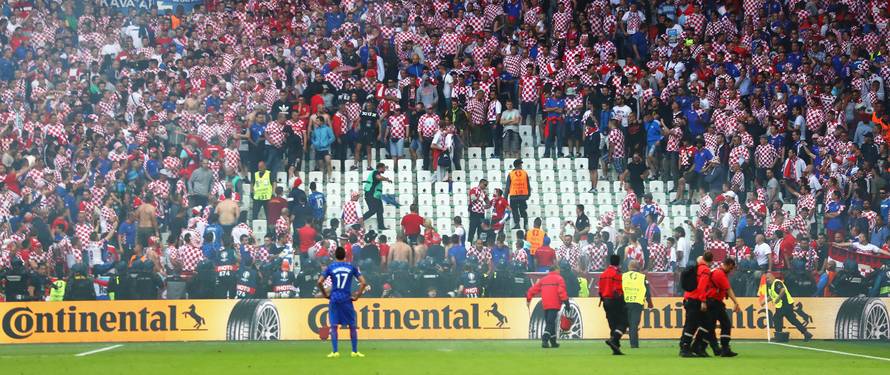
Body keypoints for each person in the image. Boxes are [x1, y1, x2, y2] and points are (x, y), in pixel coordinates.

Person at [319, 247, 368, 358]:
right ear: (345, 256)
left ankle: (335, 352)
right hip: (346, 298)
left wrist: (325, 294)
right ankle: (354, 352)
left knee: (334, 326)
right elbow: (363, 283)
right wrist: (357, 296)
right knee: (352, 325)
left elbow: (319, 281)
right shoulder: (351, 267)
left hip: (334, 298)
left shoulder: (330, 267)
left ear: (335, 256)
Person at [525, 264, 569, 348]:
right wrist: (566, 302)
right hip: (555, 304)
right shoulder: (559, 279)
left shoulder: (543, 280)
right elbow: (561, 291)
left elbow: (532, 290)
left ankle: (553, 342)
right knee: (550, 322)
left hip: (545, 304)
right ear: (556, 269)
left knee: (550, 322)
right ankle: (545, 340)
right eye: (559, 269)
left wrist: (528, 299)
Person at [705, 257, 741, 357]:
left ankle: (718, 348)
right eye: (731, 268)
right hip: (713, 302)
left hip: (714, 302)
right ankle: (722, 348)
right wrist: (736, 302)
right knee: (724, 324)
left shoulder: (716, 272)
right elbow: (728, 289)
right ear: (729, 265)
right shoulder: (720, 273)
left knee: (713, 326)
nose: (731, 271)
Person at [679, 252, 713, 357]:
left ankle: (690, 346)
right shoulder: (705, 270)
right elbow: (702, 287)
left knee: (700, 323)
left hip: (689, 298)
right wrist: (703, 301)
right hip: (696, 300)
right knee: (695, 324)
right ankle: (687, 348)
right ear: (711, 261)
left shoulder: (696, 268)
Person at [766, 273, 813, 341]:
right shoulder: (770, 286)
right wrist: (764, 301)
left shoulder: (777, 283)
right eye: (766, 279)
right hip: (782, 305)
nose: (767, 280)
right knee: (792, 320)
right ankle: (806, 333)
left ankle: (779, 335)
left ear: (773, 277)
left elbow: (782, 290)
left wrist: (778, 298)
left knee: (777, 318)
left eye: (768, 278)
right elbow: (772, 296)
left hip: (785, 304)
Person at [599, 254, 627, 355]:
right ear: (619, 262)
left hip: (605, 301)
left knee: (613, 324)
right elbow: (617, 290)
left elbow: (600, 290)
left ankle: (616, 348)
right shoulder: (617, 274)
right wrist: (622, 300)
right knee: (624, 322)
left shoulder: (603, 274)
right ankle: (614, 340)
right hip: (615, 300)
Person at [622, 260, 653, 349]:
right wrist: (649, 302)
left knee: (623, 324)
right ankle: (634, 345)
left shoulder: (623, 276)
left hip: (625, 302)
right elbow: (647, 291)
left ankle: (615, 341)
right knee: (634, 324)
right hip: (637, 303)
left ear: (629, 267)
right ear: (638, 267)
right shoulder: (642, 277)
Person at [362, 163, 391, 230]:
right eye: (384, 168)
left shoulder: (376, 173)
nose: (384, 170)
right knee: (373, 210)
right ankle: (360, 220)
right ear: (380, 168)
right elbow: (378, 177)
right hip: (371, 195)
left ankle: (381, 226)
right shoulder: (375, 172)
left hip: (376, 196)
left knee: (380, 211)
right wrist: (386, 179)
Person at [506, 159, 530, 229]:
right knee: (523, 210)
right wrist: (528, 195)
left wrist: (505, 197)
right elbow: (528, 185)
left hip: (514, 196)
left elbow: (507, 187)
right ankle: (525, 224)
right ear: (519, 165)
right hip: (523, 196)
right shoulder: (524, 173)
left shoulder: (511, 174)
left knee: (514, 210)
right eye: (521, 164)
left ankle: (517, 224)